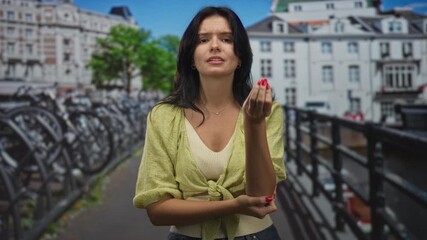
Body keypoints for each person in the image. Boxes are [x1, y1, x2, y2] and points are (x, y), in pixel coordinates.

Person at [133, 6, 286, 240]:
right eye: (203, 40)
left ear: (240, 57)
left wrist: (254, 124)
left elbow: (263, 194)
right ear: (191, 57)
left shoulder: (268, 112)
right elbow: (157, 210)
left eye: (226, 39)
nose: (215, 45)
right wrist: (234, 205)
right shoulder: (164, 115)